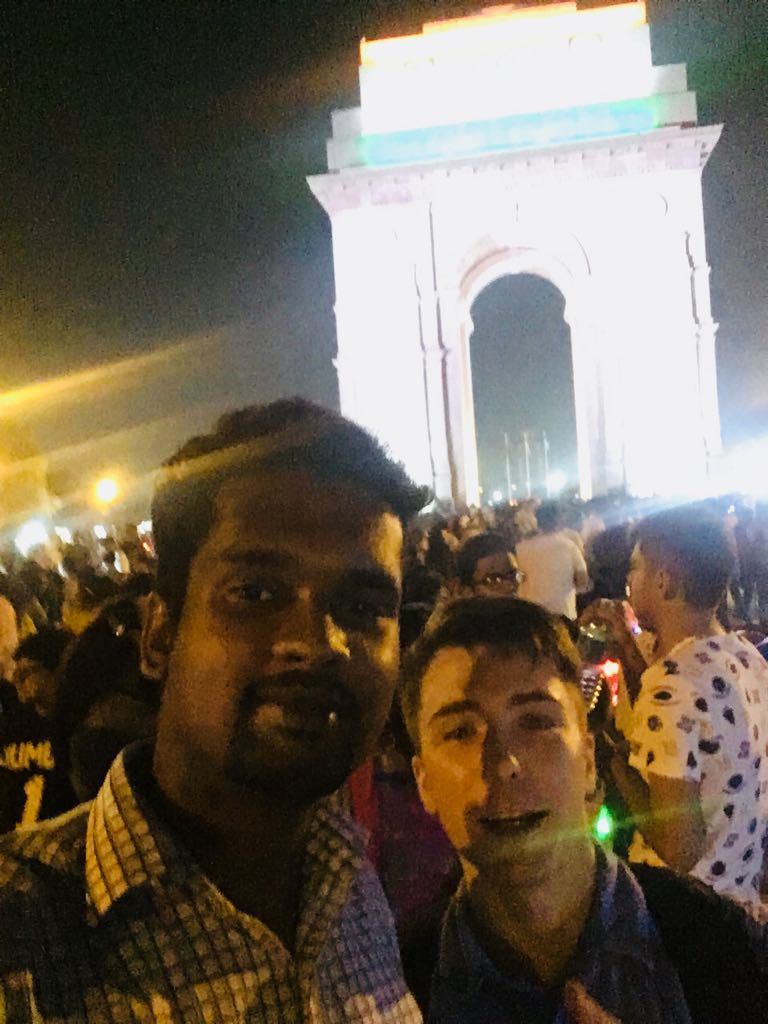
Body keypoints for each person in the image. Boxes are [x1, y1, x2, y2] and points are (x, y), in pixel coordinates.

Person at [0, 398, 426, 1022]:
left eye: (363, 609)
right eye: (255, 592)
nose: (315, 643)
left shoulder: (356, 892)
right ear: (159, 636)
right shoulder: (19, 929)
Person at [399, 596, 768, 1023]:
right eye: (461, 731)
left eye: (536, 722)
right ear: (423, 781)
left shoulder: (721, 947)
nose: (504, 763)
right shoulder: (394, 988)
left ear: (589, 759)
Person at [586, 505, 768, 914]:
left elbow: (678, 850)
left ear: (664, 581)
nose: (628, 580)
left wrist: (610, 754)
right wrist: (629, 647)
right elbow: (688, 723)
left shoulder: (672, 686)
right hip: (737, 898)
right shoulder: (745, 656)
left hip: (682, 915)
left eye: (635, 567)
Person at [0, 628, 76, 832]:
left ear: (57, 670)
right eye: (17, 673)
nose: (18, 681)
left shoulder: (75, 728)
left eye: (28, 672)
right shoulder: (13, 725)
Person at [516, 501, 590, 621]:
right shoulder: (569, 546)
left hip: (531, 613)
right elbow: (582, 579)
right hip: (563, 612)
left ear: (537, 521)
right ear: (558, 520)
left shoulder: (521, 549)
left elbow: (517, 578)